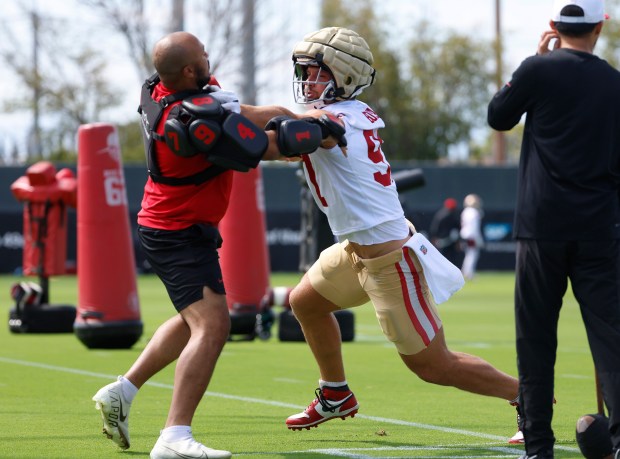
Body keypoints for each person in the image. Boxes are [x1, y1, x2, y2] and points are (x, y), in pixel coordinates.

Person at [91, 31, 344, 459]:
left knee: (195, 319)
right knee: (214, 325)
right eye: (202, 54)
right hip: (177, 232)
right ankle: (174, 437)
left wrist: (299, 114)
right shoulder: (194, 123)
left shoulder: (170, 86)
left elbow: (252, 113)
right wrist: (323, 130)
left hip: (175, 224)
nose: (209, 56)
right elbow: (268, 145)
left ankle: (123, 390)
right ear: (189, 69)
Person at [283, 26, 521, 442]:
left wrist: (226, 118)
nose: (306, 81)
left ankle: (527, 397)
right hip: (355, 250)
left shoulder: (335, 120)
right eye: (303, 71)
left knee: (434, 366)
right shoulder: (341, 114)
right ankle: (336, 393)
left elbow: (277, 136)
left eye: (314, 71)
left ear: (343, 75)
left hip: (388, 259)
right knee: (305, 303)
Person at [487, 0, 620, 457]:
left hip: (540, 227)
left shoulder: (536, 71)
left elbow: (498, 116)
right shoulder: (614, 82)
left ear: (553, 27)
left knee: (536, 338)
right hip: (599, 228)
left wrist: (535, 64)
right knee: (611, 340)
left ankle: (538, 447)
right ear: (601, 27)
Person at [429, 197, 461, 266]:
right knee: (444, 257)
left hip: (450, 241)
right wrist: (434, 238)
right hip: (442, 240)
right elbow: (435, 227)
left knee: (450, 258)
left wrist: (458, 241)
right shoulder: (442, 215)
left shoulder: (452, 215)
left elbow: (458, 228)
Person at [459, 193, 484, 280]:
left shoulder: (465, 211)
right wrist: (478, 238)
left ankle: (466, 271)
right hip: (471, 235)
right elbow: (474, 227)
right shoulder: (474, 212)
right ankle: (469, 272)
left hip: (465, 235)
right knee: (472, 254)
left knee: (469, 254)